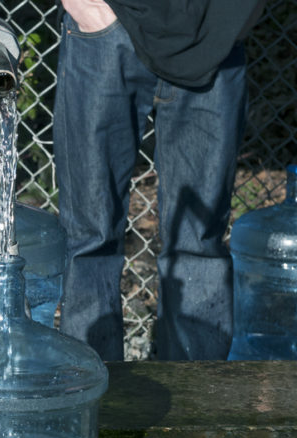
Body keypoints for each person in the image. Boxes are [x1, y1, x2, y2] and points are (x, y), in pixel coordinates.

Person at [54, 0, 266, 361]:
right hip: (106, 29)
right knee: (90, 240)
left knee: (198, 244)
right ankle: (93, 405)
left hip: (215, 33)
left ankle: (191, 407)